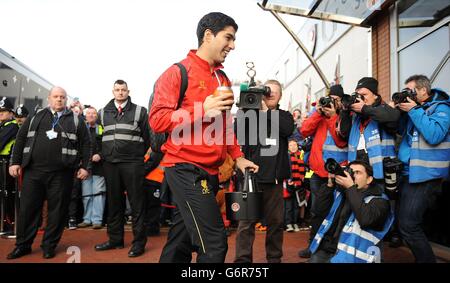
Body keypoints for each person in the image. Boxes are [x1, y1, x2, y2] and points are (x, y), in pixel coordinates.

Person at [150, 12, 258, 263]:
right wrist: (201, 110)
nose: (233, 45)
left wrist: (238, 157)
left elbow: (225, 124)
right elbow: (157, 120)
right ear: (208, 35)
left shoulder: (223, 78)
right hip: (184, 168)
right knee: (215, 244)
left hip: (210, 171)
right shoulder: (177, 72)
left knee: (181, 239)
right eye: (228, 38)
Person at [6, 86, 91, 259]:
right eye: (55, 96)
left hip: (62, 173)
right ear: (49, 98)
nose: (59, 99)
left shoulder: (76, 120)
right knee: (27, 210)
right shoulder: (36, 116)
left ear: (66, 100)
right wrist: (15, 162)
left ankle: (49, 245)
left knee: (57, 212)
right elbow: (21, 138)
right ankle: (23, 245)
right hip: (33, 172)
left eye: (62, 97)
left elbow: (87, 144)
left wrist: (85, 167)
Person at [234, 79, 294, 263]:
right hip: (250, 178)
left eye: (275, 93)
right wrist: (245, 108)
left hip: (274, 181)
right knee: (245, 224)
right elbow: (237, 132)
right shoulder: (250, 114)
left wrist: (266, 112)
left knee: (276, 224)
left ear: (280, 97)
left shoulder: (284, 116)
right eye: (267, 92)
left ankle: (274, 259)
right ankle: (243, 262)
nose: (270, 95)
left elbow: (287, 129)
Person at [396, 75, 450, 263]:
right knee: (408, 224)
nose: (407, 95)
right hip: (408, 173)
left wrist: (414, 110)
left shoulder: (442, 108)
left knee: (409, 225)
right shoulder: (415, 110)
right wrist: (399, 111)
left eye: (410, 91)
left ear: (423, 91)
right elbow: (402, 132)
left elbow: (434, 135)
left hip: (426, 176)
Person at [95, 79, 150, 258]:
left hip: (132, 163)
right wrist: (101, 154)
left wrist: (139, 157)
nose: (120, 93)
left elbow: (148, 138)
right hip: (110, 164)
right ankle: (115, 239)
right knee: (114, 204)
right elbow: (97, 137)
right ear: (113, 91)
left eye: (123, 90)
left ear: (128, 91)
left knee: (137, 204)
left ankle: (139, 243)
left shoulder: (140, 111)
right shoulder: (102, 112)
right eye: (117, 90)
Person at [309, 160, 394, 263]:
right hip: (326, 250)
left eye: (358, 172)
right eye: (351, 172)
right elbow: (318, 211)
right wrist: (329, 185)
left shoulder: (380, 201)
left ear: (369, 179)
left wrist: (350, 188)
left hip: (354, 258)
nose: (353, 175)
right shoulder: (340, 193)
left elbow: (366, 220)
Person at [298, 84, 348, 258]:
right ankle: (313, 246)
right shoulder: (318, 113)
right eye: (329, 99)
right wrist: (319, 113)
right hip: (318, 172)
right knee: (317, 211)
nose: (331, 103)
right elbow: (304, 130)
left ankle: (329, 247)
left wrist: (333, 116)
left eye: (335, 101)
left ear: (341, 102)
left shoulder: (345, 115)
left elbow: (341, 141)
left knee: (335, 213)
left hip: (337, 172)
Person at [338, 77, 400, 182]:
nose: (360, 98)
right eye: (357, 94)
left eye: (364, 95)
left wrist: (365, 109)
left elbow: (394, 117)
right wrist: (345, 111)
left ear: (375, 96)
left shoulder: (383, 109)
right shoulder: (356, 116)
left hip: (381, 174)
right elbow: (344, 133)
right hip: (357, 173)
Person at [77, 107, 106, 229]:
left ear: (97, 115)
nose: (91, 115)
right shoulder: (81, 128)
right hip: (85, 167)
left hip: (99, 167)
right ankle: (87, 219)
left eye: (93, 113)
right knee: (86, 194)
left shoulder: (102, 129)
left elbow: (108, 145)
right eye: (88, 113)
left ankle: (97, 220)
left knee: (98, 194)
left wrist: (100, 155)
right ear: (85, 115)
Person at [0, 97, 19, 234]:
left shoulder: (12, 126)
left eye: (4, 111)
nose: (1, 113)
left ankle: (9, 223)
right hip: (2, 163)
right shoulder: (3, 126)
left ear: (11, 113)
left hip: (6, 164)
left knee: (7, 194)